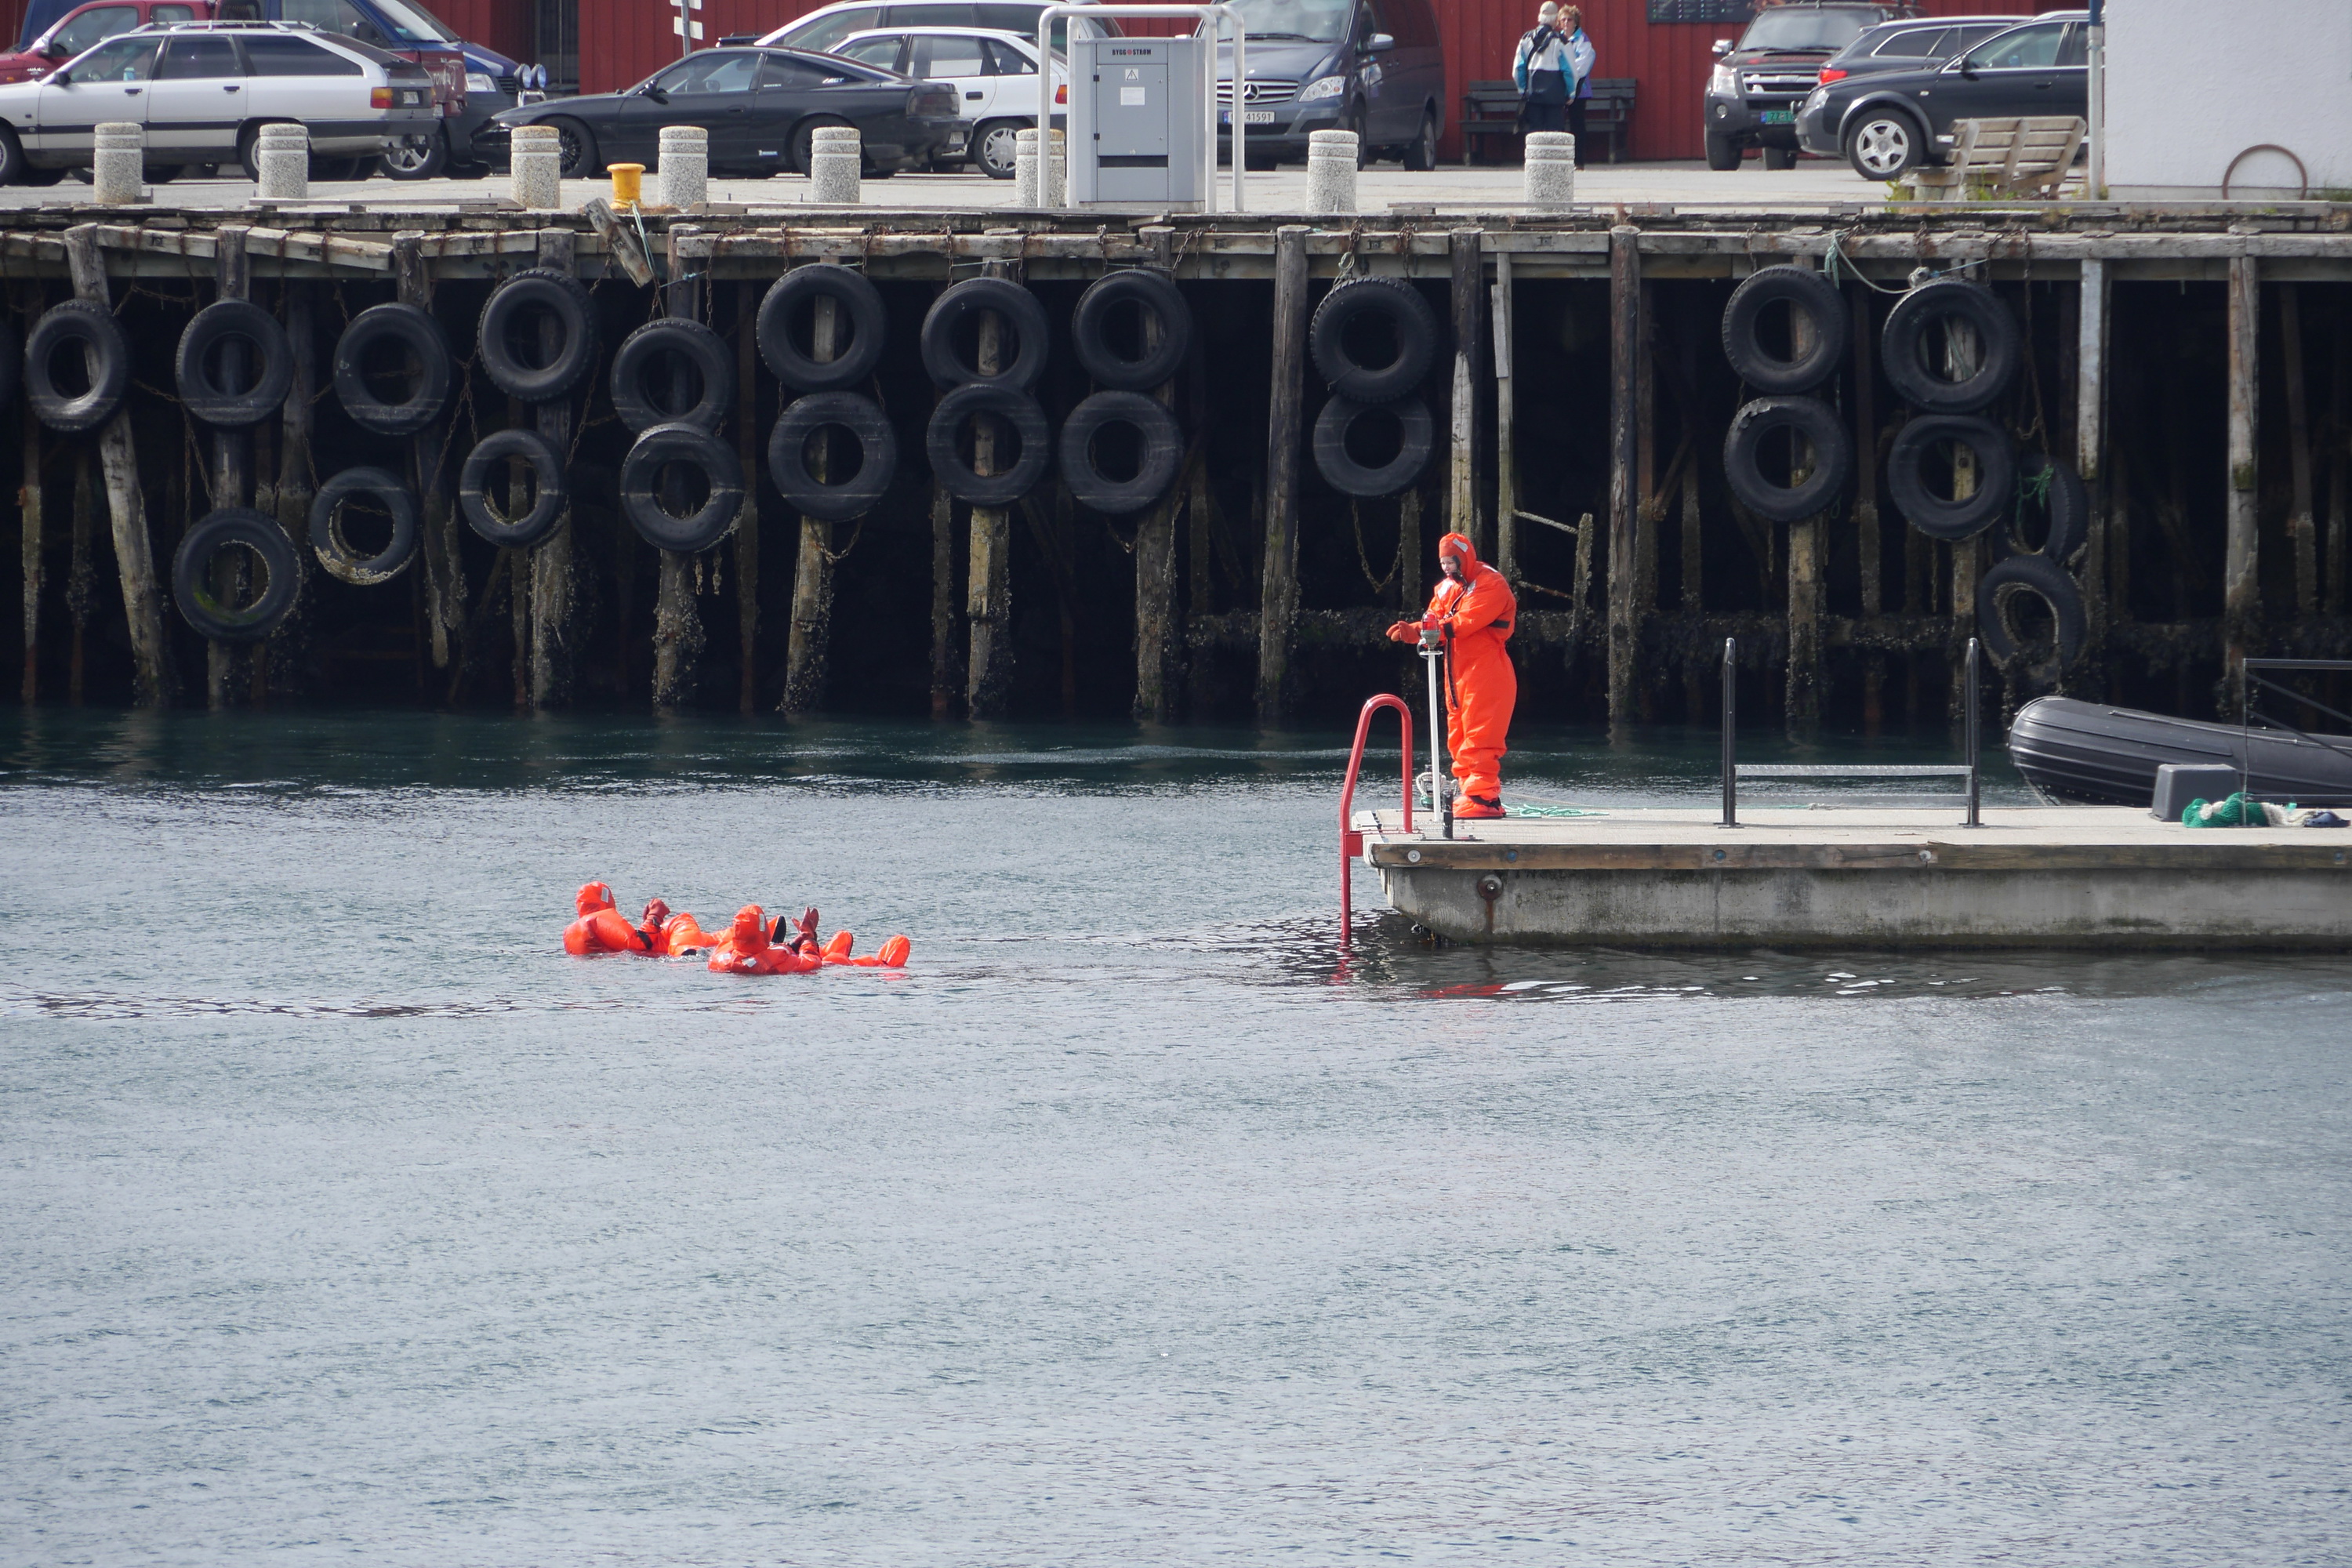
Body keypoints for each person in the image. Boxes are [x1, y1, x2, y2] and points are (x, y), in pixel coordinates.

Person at [1387, 532, 1519, 821]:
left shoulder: (1491, 583)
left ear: (1464, 559)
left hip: (1487, 670)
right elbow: (1434, 617)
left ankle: (1483, 798)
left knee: (1481, 735)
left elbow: (1464, 622)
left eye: (1451, 562)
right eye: (1443, 563)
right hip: (1456, 672)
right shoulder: (1448, 588)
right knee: (1458, 734)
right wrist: (1414, 630)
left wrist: (1423, 631)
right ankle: (1470, 794)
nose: (1447, 568)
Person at [1511, 2, 1572, 136]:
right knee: (1555, 135)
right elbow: (1570, 71)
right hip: (1555, 96)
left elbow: (1518, 69)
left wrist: (1523, 89)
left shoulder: (1525, 39)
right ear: (1556, 18)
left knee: (1534, 135)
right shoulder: (1561, 41)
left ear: (1540, 17)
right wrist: (1571, 93)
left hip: (1533, 95)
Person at [564, 881, 655, 955]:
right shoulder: (602, 918)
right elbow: (639, 944)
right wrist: (654, 917)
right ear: (608, 899)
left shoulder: (569, 931)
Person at [1562, 5, 1596, 167]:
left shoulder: (1582, 40)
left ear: (1575, 22)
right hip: (1560, 90)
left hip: (1579, 91)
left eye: (1569, 20)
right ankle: (1561, 161)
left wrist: (1565, 72)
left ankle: (1579, 161)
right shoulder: (1557, 40)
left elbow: (1582, 66)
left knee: (1577, 125)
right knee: (1558, 125)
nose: (1566, 23)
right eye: (1563, 20)